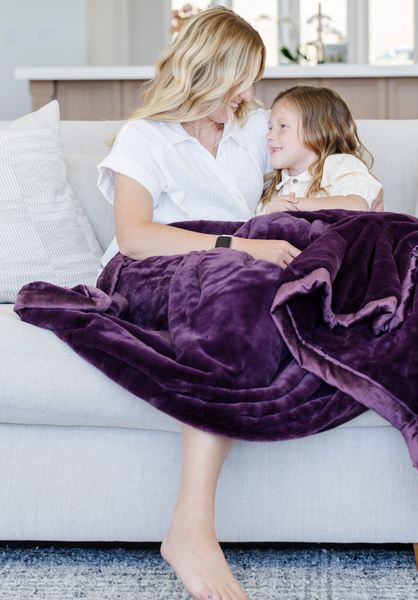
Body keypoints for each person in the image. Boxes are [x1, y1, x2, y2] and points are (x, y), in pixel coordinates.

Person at [96, 8, 300, 600]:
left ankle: (190, 530)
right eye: (242, 79)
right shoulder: (146, 136)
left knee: (246, 296)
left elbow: (318, 164)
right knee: (233, 292)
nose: (249, 94)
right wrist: (238, 244)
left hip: (229, 274)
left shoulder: (253, 126)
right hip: (145, 272)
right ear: (209, 73)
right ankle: (191, 530)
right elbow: (134, 235)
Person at [258, 85, 383, 215]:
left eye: (283, 126)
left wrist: (292, 205)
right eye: (270, 128)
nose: (269, 136)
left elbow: (356, 206)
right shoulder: (273, 189)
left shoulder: (340, 164)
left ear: (317, 132)